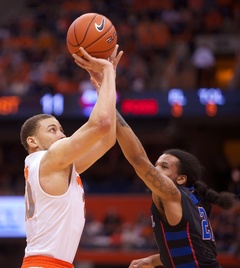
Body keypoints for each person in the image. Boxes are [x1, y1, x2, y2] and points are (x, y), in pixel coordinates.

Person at [19, 45, 123, 268]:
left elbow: (108, 139)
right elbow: (102, 123)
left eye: (61, 129)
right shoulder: (51, 159)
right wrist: (108, 73)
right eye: (52, 130)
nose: (61, 134)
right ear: (32, 141)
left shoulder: (56, 165)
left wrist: (105, 87)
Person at [115, 111, 238, 268]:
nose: (155, 169)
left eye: (164, 166)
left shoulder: (173, 194)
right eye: (156, 164)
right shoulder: (194, 200)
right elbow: (196, 250)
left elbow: (138, 159)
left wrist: (111, 110)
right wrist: (154, 260)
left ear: (181, 179)